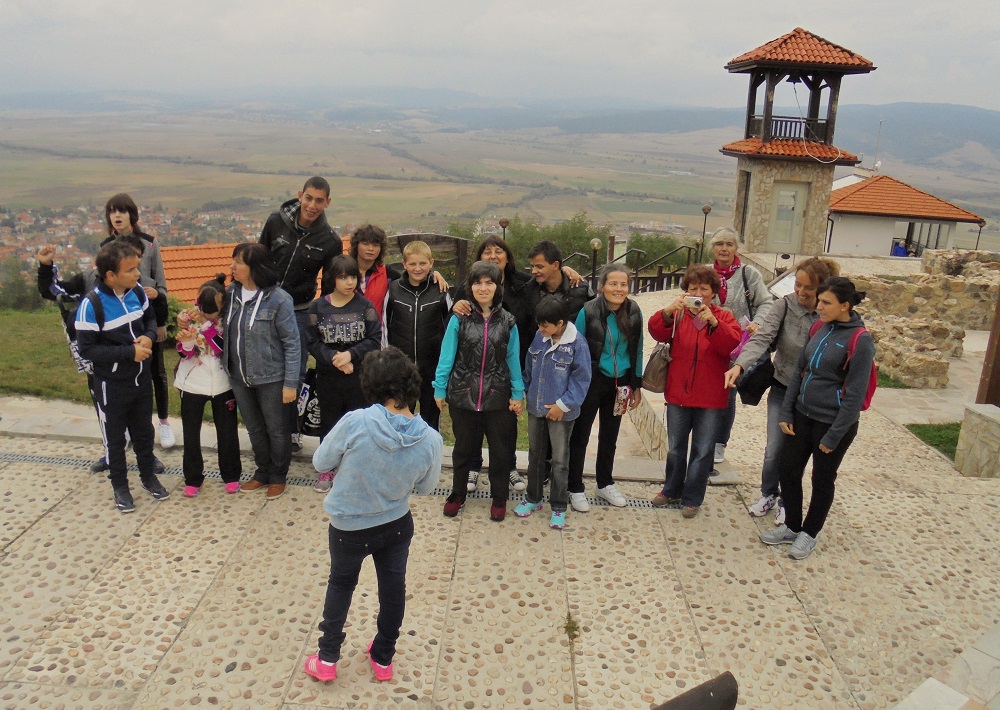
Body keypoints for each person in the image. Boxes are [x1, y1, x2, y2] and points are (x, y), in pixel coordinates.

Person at [304, 347, 442, 684]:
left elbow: (320, 462)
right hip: (396, 525)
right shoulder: (432, 439)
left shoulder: (356, 422)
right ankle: (383, 657)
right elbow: (426, 488)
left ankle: (327, 658)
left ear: (371, 386)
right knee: (393, 589)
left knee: (341, 585)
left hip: (348, 526)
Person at [758, 277, 875, 560]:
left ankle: (809, 533)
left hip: (832, 423)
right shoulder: (818, 328)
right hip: (802, 415)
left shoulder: (861, 341)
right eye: (819, 301)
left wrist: (834, 435)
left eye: (826, 302)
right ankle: (792, 526)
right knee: (788, 470)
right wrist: (787, 411)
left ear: (844, 306)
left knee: (822, 479)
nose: (818, 306)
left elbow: (855, 395)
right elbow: (801, 373)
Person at [724, 257, 841, 525]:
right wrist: (740, 365)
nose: (801, 291)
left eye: (808, 287)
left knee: (795, 454)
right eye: (798, 284)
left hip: (811, 395)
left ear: (822, 288)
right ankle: (768, 493)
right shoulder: (784, 306)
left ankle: (789, 501)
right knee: (774, 449)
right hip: (782, 387)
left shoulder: (828, 314)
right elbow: (763, 338)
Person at [36, 240, 166, 477]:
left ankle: (145, 455)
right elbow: (54, 291)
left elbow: (151, 314)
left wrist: (148, 335)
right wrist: (46, 267)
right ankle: (112, 454)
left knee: (140, 416)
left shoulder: (136, 286)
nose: (136, 272)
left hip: (137, 366)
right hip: (101, 364)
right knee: (107, 412)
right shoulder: (88, 280)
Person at [75, 240, 169, 513]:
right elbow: (87, 349)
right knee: (116, 441)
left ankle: (148, 478)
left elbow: (150, 320)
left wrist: (149, 337)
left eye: (137, 268)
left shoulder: (137, 292)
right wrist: (129, 353)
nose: (138, 274)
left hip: (141, 380)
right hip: (112, 385)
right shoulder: (91, 305)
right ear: (111, 276)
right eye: (130, 270)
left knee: (144, 433)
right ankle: (120, 486)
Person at [647, 264, 741, 518]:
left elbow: (731, 345)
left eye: (704, 289)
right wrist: (668, 311)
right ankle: (671, 489)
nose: (698, 294)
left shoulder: (724, 317)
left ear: (713, 293)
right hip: (678, 394)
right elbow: (656, 330)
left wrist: (714, 323)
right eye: (693, 289)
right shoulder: (678, 315)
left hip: (711, 398)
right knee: (675, 447)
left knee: (702, 450)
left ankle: (692, 498)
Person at [434, 261, 524, 522]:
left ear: (497, 287)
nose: (483, 288)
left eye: (489, 283)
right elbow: (447, 356)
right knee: (463, 449)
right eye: (477, 283)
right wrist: (439, 388)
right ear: (470, 287)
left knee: (500, 450)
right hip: (463, 393)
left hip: (498, 394)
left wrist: (518, 393)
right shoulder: (459, 319)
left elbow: (513, 359)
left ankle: (499, 497)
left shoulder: (508, 322)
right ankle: (457, 494)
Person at [259, 176, 342, 453]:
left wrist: (323, 321)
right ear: (300, 195)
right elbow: (258, 259)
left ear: (327, 202)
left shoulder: (330, 240)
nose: (312, 205)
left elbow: (329, 287)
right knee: (265, 367)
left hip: (299, 311)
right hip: (264, 306)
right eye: (309, 198)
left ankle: (291, 429)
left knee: (294, 373)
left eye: (319, 200)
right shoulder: (275, 221)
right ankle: (266, 428)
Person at [223, 242, 301, 500]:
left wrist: (290, 383)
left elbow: (292, 343)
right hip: (239, 376)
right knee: (254, 428)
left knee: (276, 430)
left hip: (272, 378)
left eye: (238, 262)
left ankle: (278, 475)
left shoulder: (279, 299)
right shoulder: (231, 293)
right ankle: (262, 471)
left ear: (255, 267)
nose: (233, 266)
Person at [100, 193, 176, 450]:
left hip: (148, 317)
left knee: (156, 372)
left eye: (122, 211)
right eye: (112, 211)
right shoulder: (105, 247)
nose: (117, 216)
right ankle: (129, 427)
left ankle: (164, 422)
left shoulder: (150, 244)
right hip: (118, 319)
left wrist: (158, 302)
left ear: (131, 214)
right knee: (124, 372)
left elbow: (162, 285)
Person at [568, 264, 644, 511]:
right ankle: (574, 486)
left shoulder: (634, 311)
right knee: (580, 435)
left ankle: (604, 482)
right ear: (602, 286)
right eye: (613, 283)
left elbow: (638, 348)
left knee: (610, 436)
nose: (618, 289)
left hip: (620, 382)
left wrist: (636, 384)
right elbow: (576, 349)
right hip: (592, 380)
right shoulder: (588, 311)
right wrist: (575, 384)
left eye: (623, 284)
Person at [307, 255, 382, 492]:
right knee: (330, 423)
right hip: (328, 377)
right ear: (332, 279)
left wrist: (350, 355)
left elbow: (374, 338)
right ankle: (327, 468)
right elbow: (312, 341)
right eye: (343, 277)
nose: (349, 282)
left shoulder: (365, 306)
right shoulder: (317, 307)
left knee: (360, 423)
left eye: (353, 277)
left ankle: (358, 468)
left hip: (359, 377)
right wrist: (335, 359)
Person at [514, 298, 591, 529]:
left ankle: (558, 506)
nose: (541, 329)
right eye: (539, 324)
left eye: (545, 325)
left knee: (559, 460)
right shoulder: (540, 337)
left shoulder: (578, 344)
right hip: (536, 408)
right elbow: (529, 366)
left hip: (561, 414)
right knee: (535, 455)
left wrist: (563, 405)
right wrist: (523, 392)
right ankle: (533, 497)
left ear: (560, 323)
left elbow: (581, 380)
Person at [708, 227, 774, 465]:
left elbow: (766, 302)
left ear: (736, 248)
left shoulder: (749, 274)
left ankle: (719, 442)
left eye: (729, 244)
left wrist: (758, 323)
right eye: (719, 244)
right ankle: (703, 437)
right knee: (706, 389)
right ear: (712, 248)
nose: (724, 249)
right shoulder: (705, 273)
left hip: (737, 345)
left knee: (727, 394)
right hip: (708, 343)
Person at [174, 274, 243, 497]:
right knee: (191, 434)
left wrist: (207, 326)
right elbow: (184, 354)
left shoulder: (229, 319)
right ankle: (193, 478)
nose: (206, 313)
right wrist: (187, 341)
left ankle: (231, 475)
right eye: (203, 308)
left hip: (223, 385)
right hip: (192, 385)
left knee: (227, 432)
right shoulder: (189, 317)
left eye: (212, 311)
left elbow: (223, 348)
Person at [383, 240, 452, 431]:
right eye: (412, 264)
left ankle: (430, 449)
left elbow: (451, 326)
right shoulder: (393, 290)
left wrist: (446, 364)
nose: (418, 268)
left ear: (431, 263)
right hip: (402, 369)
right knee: (399, 420)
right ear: (404, 264)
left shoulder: (440, 290)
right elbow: (384, 326)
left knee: (431, 421)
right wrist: (388, 362)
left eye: (423, 263)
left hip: (432, 367)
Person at [351, 224, 448, 321]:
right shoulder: (345, 270)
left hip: (375, 329)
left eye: (375, 245)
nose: (370, 249)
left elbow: (410, 278)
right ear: (356, 245)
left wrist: (432, 274)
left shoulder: (387, 273)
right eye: (365, 244)